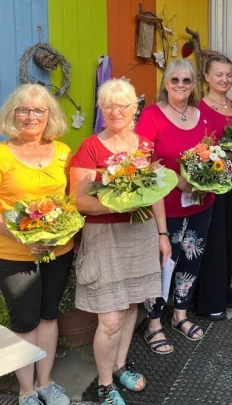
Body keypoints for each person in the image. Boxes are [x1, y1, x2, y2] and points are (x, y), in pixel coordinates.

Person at [69, 79, 169, 404]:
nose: (116, 111)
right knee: (110, 318)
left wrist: (163, 234)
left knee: (130, 309)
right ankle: (104, 382)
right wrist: (118, 204)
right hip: (104, 238)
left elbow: (155, 195)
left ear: (134, 108)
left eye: (122, 105)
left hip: (139, 234)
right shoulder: (90, 147)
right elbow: (79, 201)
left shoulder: (143, 146)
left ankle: (120, 365)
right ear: (102, 110)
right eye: (109, 105)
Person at [0, 84, 73, 405]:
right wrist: (19, 235)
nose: (31, 117)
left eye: (39, 110)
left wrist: (61, 232)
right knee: (25, 320)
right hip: (12, 252)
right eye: (24, 110)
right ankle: (26, 390)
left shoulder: (63, 152)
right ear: (13, 114)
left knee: (48, 316)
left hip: (58, 250)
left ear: (50, 116)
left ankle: (46, 382)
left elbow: (69, 203)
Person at [136, 59, 213, 349]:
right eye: (175, 80)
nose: (181, 85)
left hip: (200, 205)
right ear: (165, 83)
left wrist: (207, 178)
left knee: (190, 260)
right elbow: (143, 164)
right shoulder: (152, 116)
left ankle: (179, 315)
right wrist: (178, 180)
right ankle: (153, 322)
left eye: (187, 81)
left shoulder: (200, 115)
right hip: (164, 207)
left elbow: (211, 154)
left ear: (194, 85)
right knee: (162, 261)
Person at [195, 54, 232, 319]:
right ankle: (210, 298)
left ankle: (224, 287)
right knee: (214, 241)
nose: (224, 79)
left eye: (229, 75)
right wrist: (230, 156)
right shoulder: (199, 109)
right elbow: (198, 151)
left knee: (231, 238)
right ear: (206, 77)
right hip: (211, 185)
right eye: (219, 74)